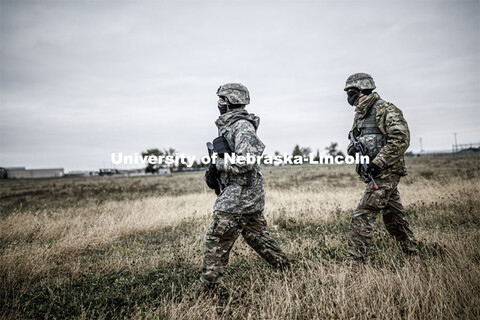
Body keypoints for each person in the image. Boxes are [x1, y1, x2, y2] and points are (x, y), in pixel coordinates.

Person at [202, 83, 290, 290]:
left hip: (240, 195)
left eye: (222, 99)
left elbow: (247, 161)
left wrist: (218, 164)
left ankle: (210, 289)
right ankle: (287, 271)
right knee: (256, 235)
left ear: (232, 101)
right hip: (242, 192)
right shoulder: (230, 125)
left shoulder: (242, 126)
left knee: (217, 238)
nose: (219, 103)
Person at [344, 73, 419, 268]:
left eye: (350, 92)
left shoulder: (384, 109)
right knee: (393, 216)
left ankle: (355, 267)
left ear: (361, 91)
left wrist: (378, 163)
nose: (348, 97)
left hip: (386, 171)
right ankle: (412, 256)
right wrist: (352, 149)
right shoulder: (361, 114)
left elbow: (401, 139)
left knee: (363, 214)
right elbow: (358, 140)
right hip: (374, 173)